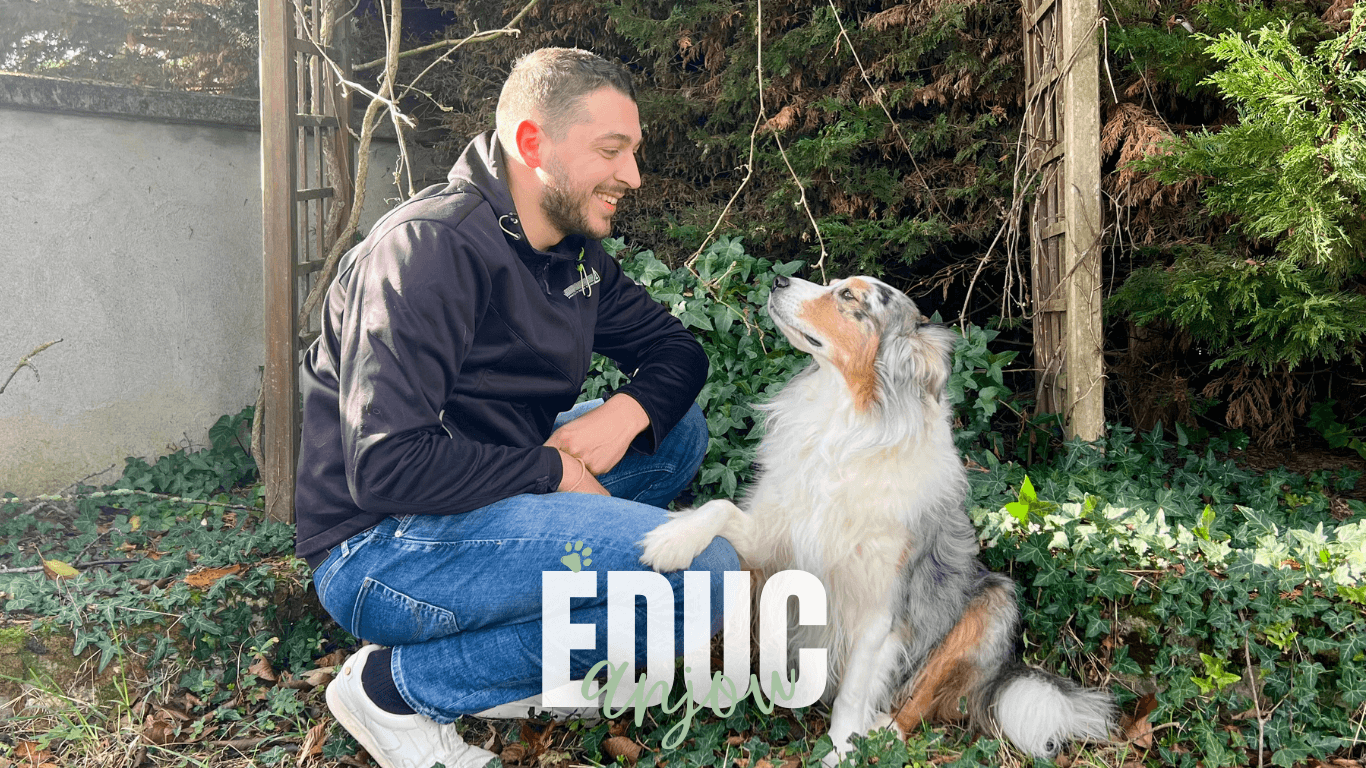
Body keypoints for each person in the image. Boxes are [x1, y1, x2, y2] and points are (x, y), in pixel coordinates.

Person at [293, 47, 739, 768]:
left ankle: (508, 655)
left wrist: (627, 411)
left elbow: (676, 352)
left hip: (488, 489)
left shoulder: (569, 252)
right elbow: (385, 467)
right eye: (611, 151)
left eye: (633, 152)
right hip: (382, 545)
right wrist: (553, 472)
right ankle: (396, 691)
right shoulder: (428, 251)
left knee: (675, 432)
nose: (633, 175)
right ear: (533, 144)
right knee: (706, 571)